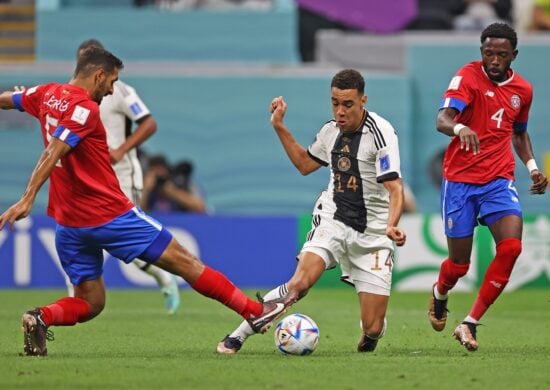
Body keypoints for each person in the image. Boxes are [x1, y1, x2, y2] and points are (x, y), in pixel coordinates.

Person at [0, 46, 293, 356]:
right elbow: (54, 150)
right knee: (186, 262)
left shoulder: (45, 94)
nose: (111, 90)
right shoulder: (84, 109)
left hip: (69, 223)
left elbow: (8, 100)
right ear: (98, 75)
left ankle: (41, 317)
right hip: (109, 214)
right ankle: (253, 310)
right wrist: (26, 198)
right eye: (111, 82)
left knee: (90, 302)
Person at [216, 69, 407, 354]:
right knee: (299, 284)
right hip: (334, 218)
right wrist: (279, 126)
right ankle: (238, 336)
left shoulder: (381, 134)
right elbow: (305, 165)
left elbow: (395, 188)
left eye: (348, 104)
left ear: (363, 100)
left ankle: (371, 332)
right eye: (334, 103)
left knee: (373, 326)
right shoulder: (330, 132)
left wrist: (392, 224)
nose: (340, 111)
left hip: (374, 231)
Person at [428, 23, 548, 352]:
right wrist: (460, 127)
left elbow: (519, 133)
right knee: (459, 265)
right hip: (460, 182)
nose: (494, 59)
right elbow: (442, 119)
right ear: (481, 51)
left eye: (501, 54)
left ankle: (469, 323)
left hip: (498, 180)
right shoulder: (467, 77)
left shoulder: (522, 90)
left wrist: (533, 168)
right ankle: (440, 292)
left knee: (510, 248)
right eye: (488, 52)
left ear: (514, 56)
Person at [76, 39, 180, 315]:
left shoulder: (120, 90)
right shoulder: (71, 93)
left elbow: (149, 122)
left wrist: (121, 149)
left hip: (121, 177)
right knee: (83, 240)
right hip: (88, 181)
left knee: (129, 244)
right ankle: (76, 301)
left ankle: (164, 277)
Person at [140, 155, 207, 214]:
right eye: (154, 172)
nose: (159, 176)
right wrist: (146, 190)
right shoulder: (148, 192)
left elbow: (201, 208)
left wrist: (173, 192)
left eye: (161, 171)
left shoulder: (180, 184)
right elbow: (138, 213)